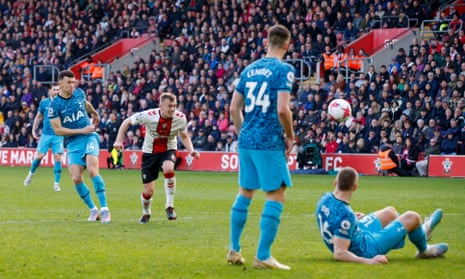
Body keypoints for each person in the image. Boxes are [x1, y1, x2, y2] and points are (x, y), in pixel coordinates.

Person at [227, 24, 295, 270]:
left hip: (246, 139)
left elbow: (234, 108)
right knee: (276, 194)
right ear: (287, 45)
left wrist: (243, 132)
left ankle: (233, 249)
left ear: (267, 42)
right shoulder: (284, 70)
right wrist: (291, 137)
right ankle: (263, 256)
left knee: (245, 192)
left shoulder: (249, 69)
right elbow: (282, 109)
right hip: (268, 140)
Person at [315, 167, 448, 264]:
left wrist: (353, 220)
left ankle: (417, 231)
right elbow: (339, 253)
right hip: (365, 249)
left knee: (390, 212)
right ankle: (424, 249)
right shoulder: (346, 215)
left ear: (334, 182)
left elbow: (334, 219)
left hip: (357, 231)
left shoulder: (324, 199)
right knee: (412, 217)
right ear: (355, 187)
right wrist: (369, 261)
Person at [113, 92, 199, 224]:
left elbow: (184, 135)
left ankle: (169, 206)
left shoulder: (180, 118)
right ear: (161, 106)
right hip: (149, 153)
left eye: (174, 106)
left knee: (168, 168)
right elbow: (127, 122)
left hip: (168, 148)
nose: (172, 109)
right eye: (169, 106)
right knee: (148, 192)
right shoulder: (149, 116)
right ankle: (146, 213)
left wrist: (191, 150)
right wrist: (119, 140)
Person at [49, 70, 111, 223]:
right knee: (76, 177)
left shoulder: (79, 93)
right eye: (69, 83)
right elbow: (58, 130)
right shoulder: (54, 105)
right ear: (60, 84)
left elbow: (85, 104)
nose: (72, 85)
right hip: (72, 141)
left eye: (73, 82)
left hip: (89, 136)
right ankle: (93, 209)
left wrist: (94, 112)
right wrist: (80, 130)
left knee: (92, 170)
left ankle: (105, 210)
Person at [24, 85, 63, 191]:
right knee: (39, 156)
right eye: (54, 89)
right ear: (50, 91)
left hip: (58, 135)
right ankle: (30, 174)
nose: (56, 91)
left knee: (58, 158)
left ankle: (56, 183)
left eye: (58, 90)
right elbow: (39, 117)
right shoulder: (44, 103)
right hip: (46, 134)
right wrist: (33, 129)